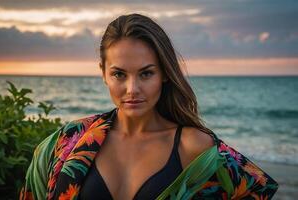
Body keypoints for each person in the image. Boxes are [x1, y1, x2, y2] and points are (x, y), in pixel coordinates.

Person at [20, 13, 278, 200]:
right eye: (119, 74)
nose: (132, 89)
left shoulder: (193, 146)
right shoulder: (70, 140)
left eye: (146, 74)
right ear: (103, 73)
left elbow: (254, 190)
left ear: (164, 73)